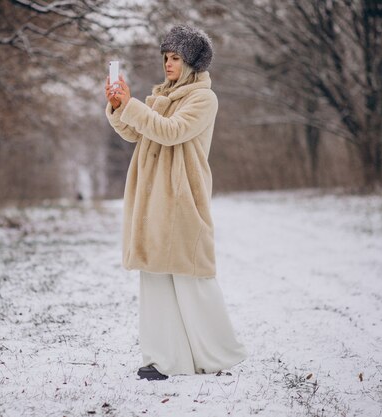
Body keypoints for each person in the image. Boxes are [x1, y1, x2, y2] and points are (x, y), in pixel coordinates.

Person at [104, 25, 248, 381]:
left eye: (175, 58)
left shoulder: (203, 98)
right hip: (152, 199)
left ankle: (217, 354)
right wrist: (118, 104)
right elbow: (135, 132)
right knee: (154, 277)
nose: (168, 64)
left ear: (192, 62)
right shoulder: (160, 97)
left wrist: (132, 106)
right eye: (165, 57)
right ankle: (163, 360)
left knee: (191, 275)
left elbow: (171, 132)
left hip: (183, 196)